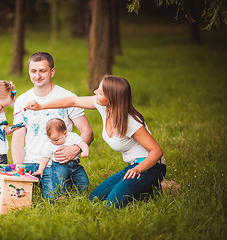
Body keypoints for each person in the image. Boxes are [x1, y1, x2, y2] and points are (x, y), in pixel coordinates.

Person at [26, 75, 166, 208]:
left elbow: (156, 151)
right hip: (132, 167)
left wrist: (138, 169)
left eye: (100, 92)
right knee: (95, 198)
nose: (95, 92)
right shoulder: (104, 106)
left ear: (112, 98)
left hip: (149, 167)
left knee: (110, 205)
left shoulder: (130, 122)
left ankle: (157, 185)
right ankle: (152, 187)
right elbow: (72, 101)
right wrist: (41, 106)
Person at [12, 52, 94, 199]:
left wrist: (74, 149)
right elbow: (18, 139)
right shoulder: (22, 100)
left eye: (42, 71)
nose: (37, 75)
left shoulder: (68, 97)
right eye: (33, 71)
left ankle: (66, 181)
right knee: (19, 197)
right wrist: (19, 168)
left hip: (57, 163)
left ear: (52, 71)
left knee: (54, 199)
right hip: (30, 162)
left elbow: (87, 131)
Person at [32, 118, 90, 198]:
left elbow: (82, 144)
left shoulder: (72, 137)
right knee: (59, 180)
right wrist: (41, 169)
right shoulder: (49, 145)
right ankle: (61, 196)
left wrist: (85, 151)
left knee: (83, 179)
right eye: (51, 140)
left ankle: (81, 195)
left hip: (75, 165)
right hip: (59, 166)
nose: (54, 142)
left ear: (65, 133)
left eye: (56, 140)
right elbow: (45, 158)